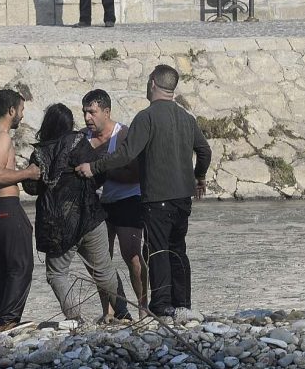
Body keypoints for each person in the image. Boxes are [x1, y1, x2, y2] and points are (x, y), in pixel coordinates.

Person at [75, 65, 212, 319]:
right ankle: (183, 305)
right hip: (183, 198)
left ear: (152, 84)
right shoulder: (187, 118)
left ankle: (161, 306)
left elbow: (126, 154)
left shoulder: (146, 117)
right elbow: (204, 152)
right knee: (178, 249)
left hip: (156, 198)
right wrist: (199, 176)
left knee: (158, 250)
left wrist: (94, 167)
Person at [23, 103, 130, 323]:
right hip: (90, 217)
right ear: (69, 124)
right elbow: (98, 174)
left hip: (57, 227)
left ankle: (77, 320)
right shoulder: (79, 143)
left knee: (57, 275)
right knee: (104, 271)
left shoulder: (40, 152)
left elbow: (31, 188)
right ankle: (123, 312)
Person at [81, 89, 151, 320]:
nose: (87, 118)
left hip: (127, 199)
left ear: (106, 111)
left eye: (92, 112)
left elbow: (135, 174)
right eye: (84, 112)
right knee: (102, 260)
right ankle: (109, 310)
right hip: (98, 203)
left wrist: (100, 171)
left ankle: (143, 306)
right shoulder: (82, 138)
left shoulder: (123, 135)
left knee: (131, 254)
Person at [0, 89, 41, 334]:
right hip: (4, 208)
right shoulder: (2, 136)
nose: (22, 116)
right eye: (21, 110)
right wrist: (28, 173)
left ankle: (0, 319)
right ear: (11, 110)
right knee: (21, 264)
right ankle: (7, 321)